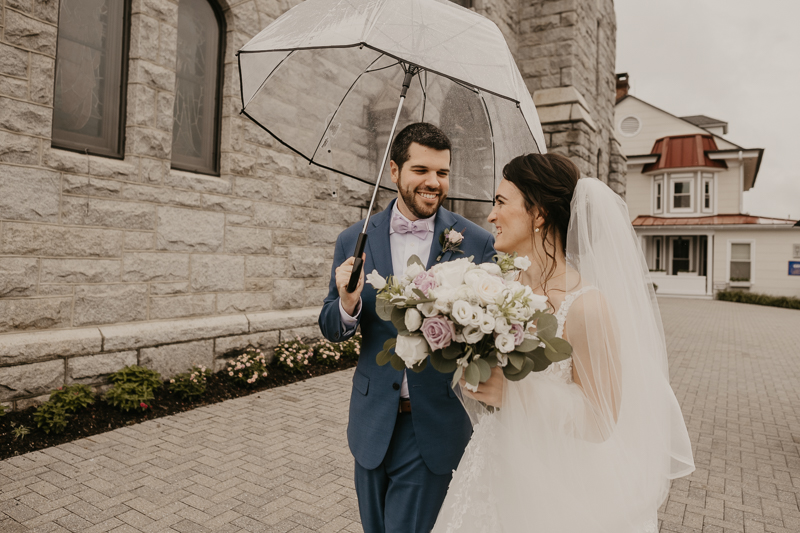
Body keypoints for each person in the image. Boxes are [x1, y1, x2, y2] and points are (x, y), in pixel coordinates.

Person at [432, 153, 695, 533]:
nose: (491, 216)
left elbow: (600, 421)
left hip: (553, 487)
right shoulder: (501, 289)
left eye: (501, 202)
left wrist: (514, 394)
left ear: (538, 215)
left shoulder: (587, 307)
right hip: (492, 464)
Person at [319, 123, 496, 533]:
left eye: (443, 173)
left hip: (434, 422)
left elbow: (488, 334)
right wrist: (347, 303)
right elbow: (331, 325)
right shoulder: (354, 239)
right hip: (372, 422)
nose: (434, 183)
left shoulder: (475, 241)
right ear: (394, 171)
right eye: (421, 170)